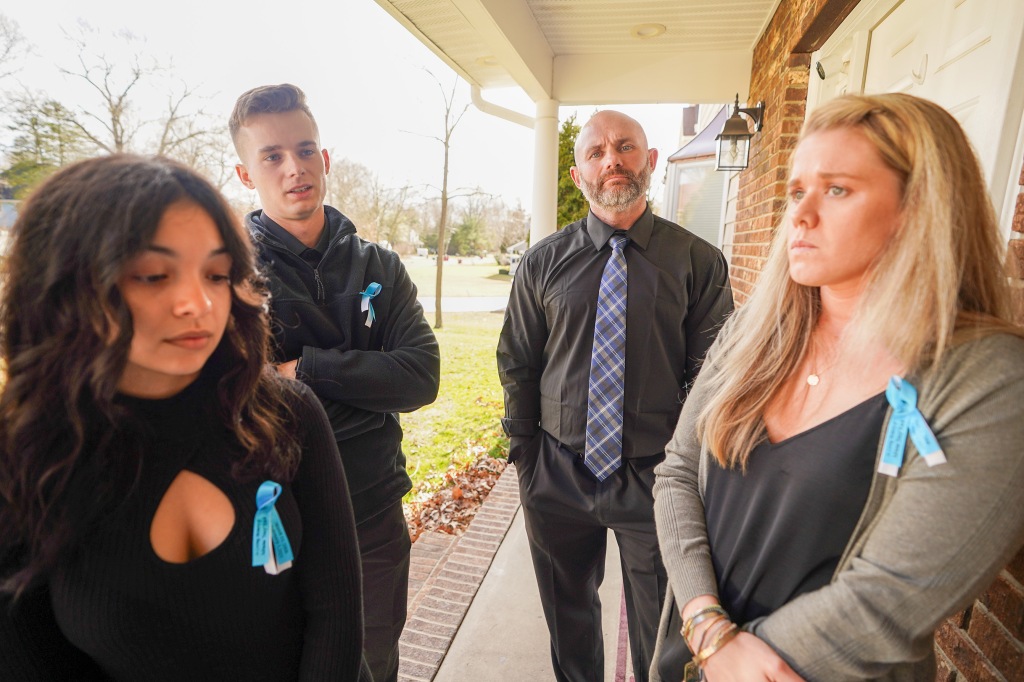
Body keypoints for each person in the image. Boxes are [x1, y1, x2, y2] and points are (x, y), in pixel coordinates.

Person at [651, 92, 1024, 682]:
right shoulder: (754, 329)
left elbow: (888, 599)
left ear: (920, 206)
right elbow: (677, 473)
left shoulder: (986, 378)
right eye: (797, 191)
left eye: (838, 189)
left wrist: (729, 661)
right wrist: (704, 624)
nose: (799, 214)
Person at [0, 154, 370, 680]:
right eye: (154, 275)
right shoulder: (24, 458)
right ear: (65, 288)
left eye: (217, 274)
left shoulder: (285, 414)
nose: (197, 302)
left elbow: (335, 615)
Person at [497, 110, 734, 682]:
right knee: (569, 617)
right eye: (597, 152)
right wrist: (527, 458)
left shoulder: (697, 262)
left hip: (657, 479)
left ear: (649, 161)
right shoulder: (542, 263)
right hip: (557, 472)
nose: (612, 160)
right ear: (578, 176)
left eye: (626, 147)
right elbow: (518, 362)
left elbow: (714, 375)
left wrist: (690, 468)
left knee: (663, 629)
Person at [229, 83, 440, 682]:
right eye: (271, 156)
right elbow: (242, 400)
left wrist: (303, 371)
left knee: (375, 662)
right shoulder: (230, 274)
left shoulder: (380, 266)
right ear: (246, 174)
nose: (294, 168)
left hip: (372, 513)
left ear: (325, 158)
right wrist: (366, 386)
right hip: (273, 518)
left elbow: (420, 376)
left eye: (305, 149)